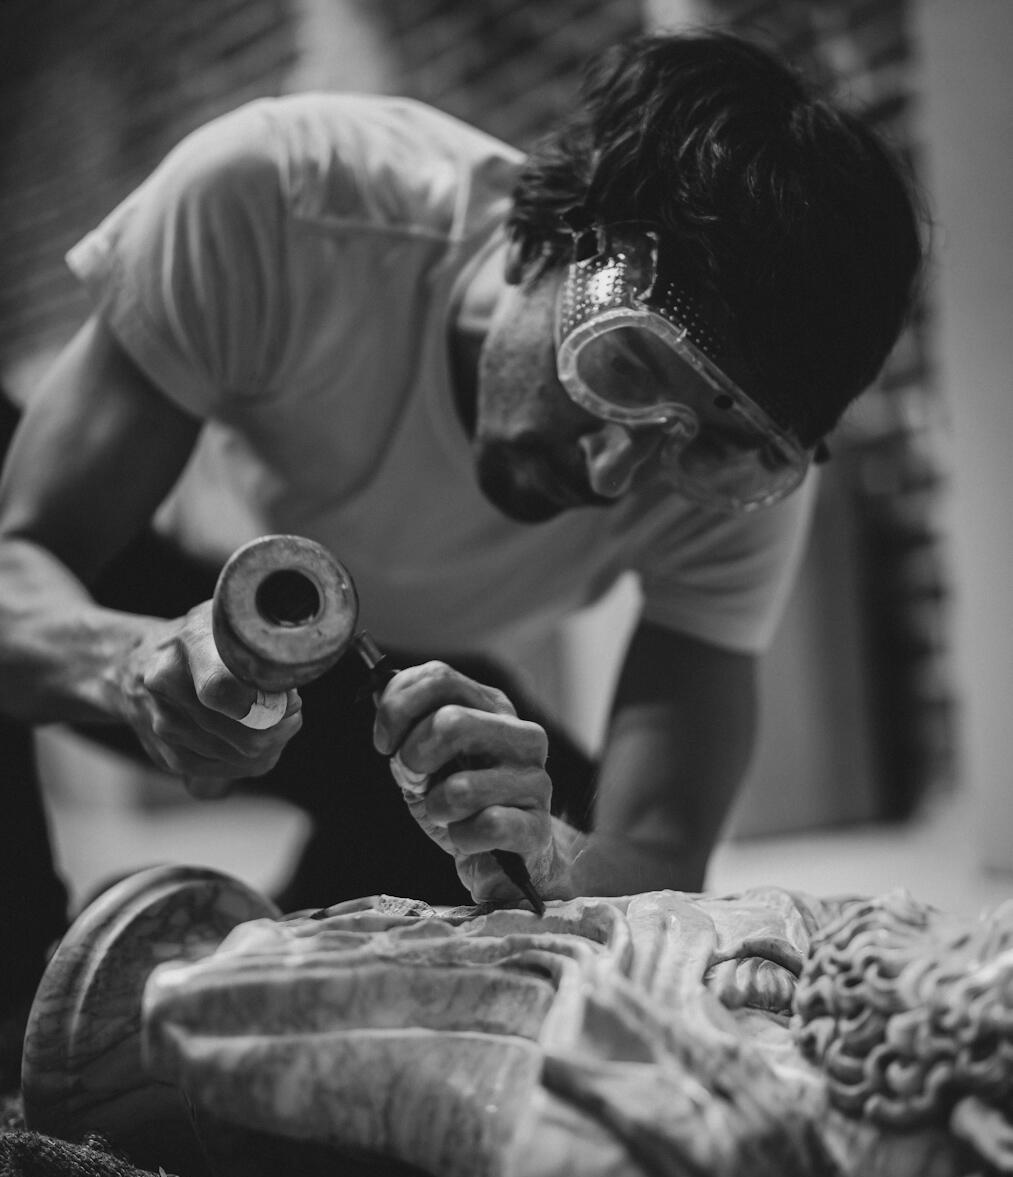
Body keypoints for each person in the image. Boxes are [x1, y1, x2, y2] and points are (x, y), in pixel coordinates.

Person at [0, 31, 923, 1026]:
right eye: (618, 371)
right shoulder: (283, 196)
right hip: (174, 597)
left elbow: (658, 853)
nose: (613, 471)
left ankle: (242, 977)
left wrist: (553, 852)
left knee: (522, 857)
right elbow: (19, 565)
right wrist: (134, 663)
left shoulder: (722, 487)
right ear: (545, 238)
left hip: (377, 686)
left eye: (704, 447)